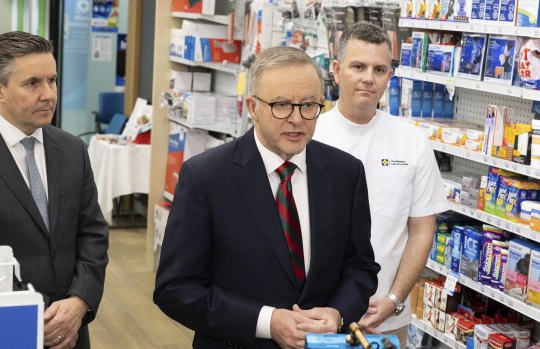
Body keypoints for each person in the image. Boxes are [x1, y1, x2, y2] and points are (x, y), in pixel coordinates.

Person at [154, 46, 380, 349]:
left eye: (309, 105)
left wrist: (337, 314)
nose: (297, 119)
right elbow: (175, 288)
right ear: (252, 107)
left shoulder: (345, 172)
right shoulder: (206, 177)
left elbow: (360, 267)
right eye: (282, 105)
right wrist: (266, 322)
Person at [0, 31, 108, 349]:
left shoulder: (72, 149)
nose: (49, 94)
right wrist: (37, 315)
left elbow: (93, 233)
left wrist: (79, 301)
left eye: (53, 80)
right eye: (33, 83)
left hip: (73, 330)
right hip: (5, 330)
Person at [314, 22, 447, 348]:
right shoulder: (309, 135)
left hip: (384, 319)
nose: (368, 78)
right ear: (336, 70)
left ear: (390, 75)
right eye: (358, 66)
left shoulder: (412, 142)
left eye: (379, 69)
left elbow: (421, 231)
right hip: (315, 317)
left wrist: (394, 299)